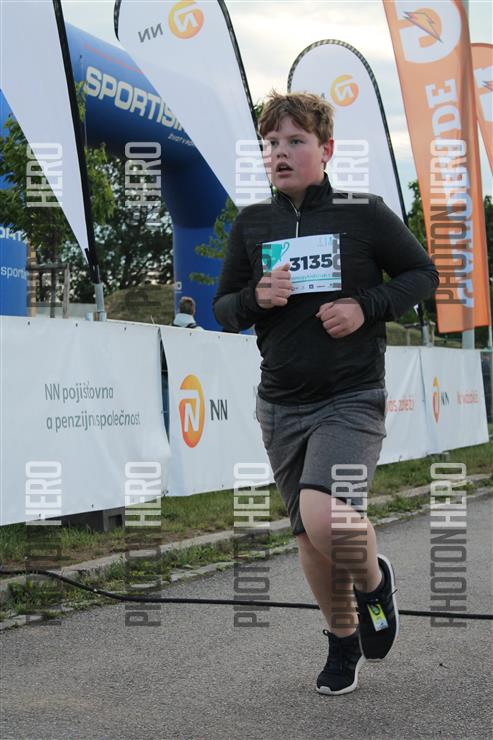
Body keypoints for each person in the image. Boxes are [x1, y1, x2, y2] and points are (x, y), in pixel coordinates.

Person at [213, 91, 439, 696]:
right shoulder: (251, 224)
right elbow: (223, 310)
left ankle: (374, 584)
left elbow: (423, 274)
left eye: (295, 141)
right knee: (309, 539)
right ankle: (343, 641)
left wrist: (365, 307)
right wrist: (257, 297)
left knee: (325, 516)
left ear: (327, 149)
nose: (280, 153)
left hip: (350, 396)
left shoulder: (363, 213)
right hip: (280, 403)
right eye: (271, 144)